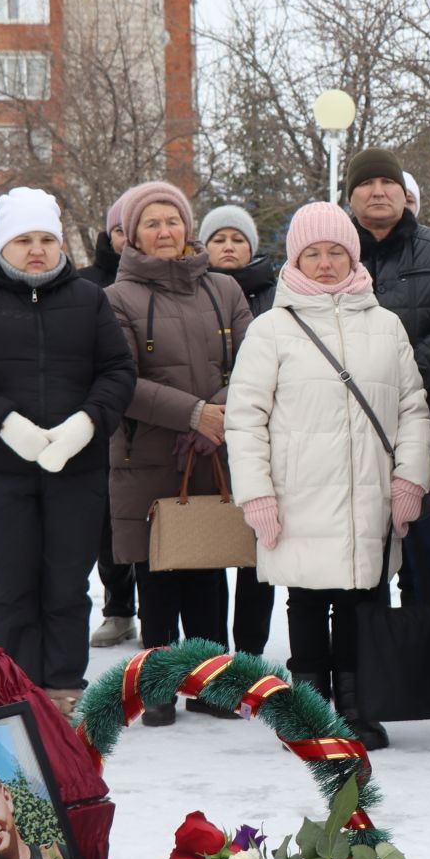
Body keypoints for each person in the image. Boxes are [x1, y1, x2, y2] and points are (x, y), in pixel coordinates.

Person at [226, 203, 430, 748]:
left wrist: (409, 480)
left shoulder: (385, 325)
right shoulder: (272, 327)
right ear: (296, 259)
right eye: (312, 253)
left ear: (352, 256)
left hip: (369, 495)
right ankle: (310, 707)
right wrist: (257, 496)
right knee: (309, 601)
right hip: (299, 497)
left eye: (335, 252)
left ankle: (358, 703)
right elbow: (244, 419)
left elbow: (412, 407)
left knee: (364, 599)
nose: (324, 263)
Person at [0, 188, 136, 693]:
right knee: (9, 585)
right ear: (3, 243)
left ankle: (65, 688)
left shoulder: (88, 297)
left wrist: (85, 425)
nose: (37, 249)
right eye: (24, 239)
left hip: (76, 466)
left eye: (47, 238)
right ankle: (15, 689)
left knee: (67, 585)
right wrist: (6, 424)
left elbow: (117, 370)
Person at [103, 181, 255, 723]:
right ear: (133, 234)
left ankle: (212, 686)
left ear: (187, 228)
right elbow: (119, 379)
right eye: (152, 223)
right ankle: (159, 688)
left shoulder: (224, 291)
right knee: (158, 572)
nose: (164, 232)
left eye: (172, 221)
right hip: (147, 454)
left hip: (214, 451)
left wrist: (215, 415)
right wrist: (193, 414)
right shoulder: (116, 298)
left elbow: (252, 367)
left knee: (209, 567)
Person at [346, 149, 430, 693]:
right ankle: (370, 675)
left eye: (388, 182)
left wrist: (396, 369)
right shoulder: (332, 253)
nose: (379, 192)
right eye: (367, 183)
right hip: (349, 441)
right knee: (362, 565)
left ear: (404, 193)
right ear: (350, 197)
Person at [200, 203, 278, 657]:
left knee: (257, 553)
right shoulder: (192, 292)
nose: (228, 247)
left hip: (263, 438)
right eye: (218, 239)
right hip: (207, 437)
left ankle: (249, 650)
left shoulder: (275, 293)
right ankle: (210, 654)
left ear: (251, 247)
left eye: (237, 239)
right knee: (208, 548)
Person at [86, 187, 140, 650]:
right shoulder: (88, 283)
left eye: (133, 227)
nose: (126, 236)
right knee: (109, 521)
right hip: (102, 414)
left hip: (155, 414)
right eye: (119, 228)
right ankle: (118, 608)